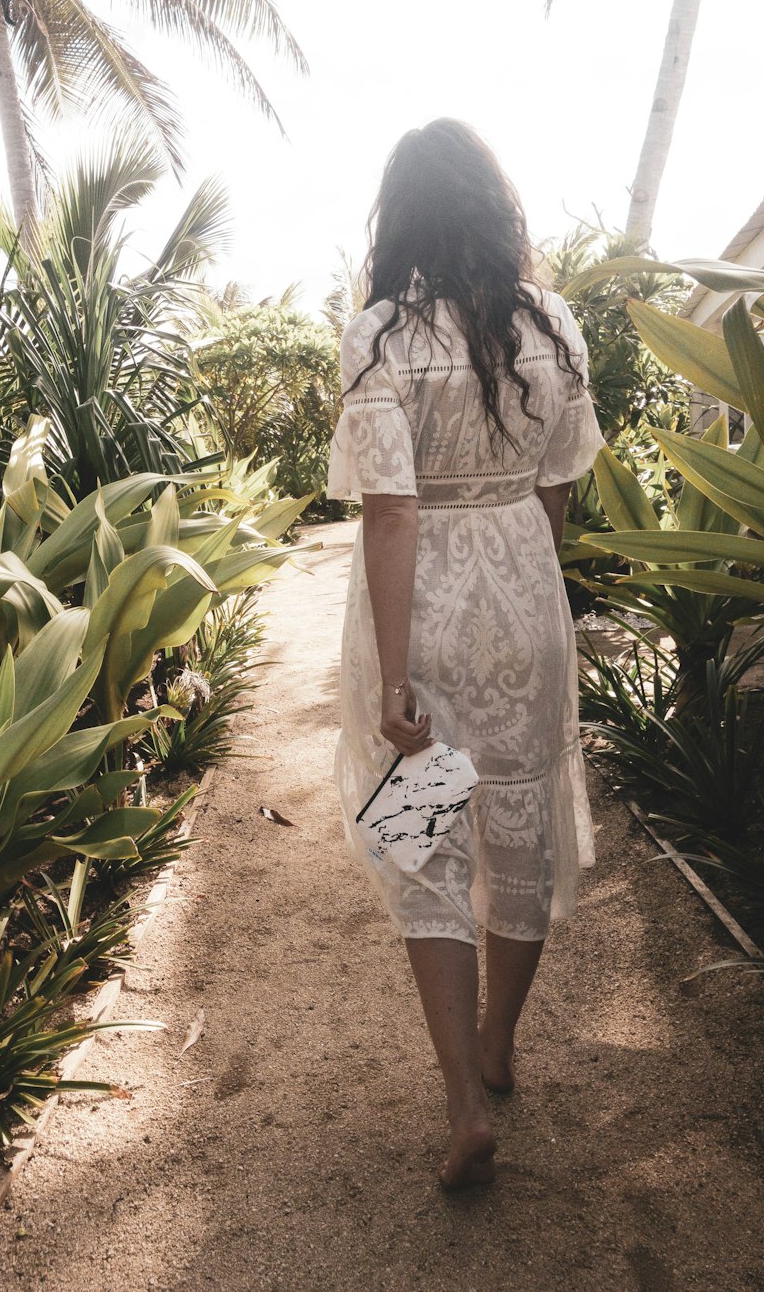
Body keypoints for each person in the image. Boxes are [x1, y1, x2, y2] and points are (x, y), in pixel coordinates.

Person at [327, 119, 605, 1190]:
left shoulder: (381, 335)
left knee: (424, 836)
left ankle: (459, 1106)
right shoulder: (556, 327)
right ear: (497, 212)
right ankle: (497, 1047)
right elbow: (558, 487)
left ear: (399, 217)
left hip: (425, 610)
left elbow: (388, 514)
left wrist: (395, 681)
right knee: (520, 825)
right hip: (523, 595)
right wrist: (522, 564)